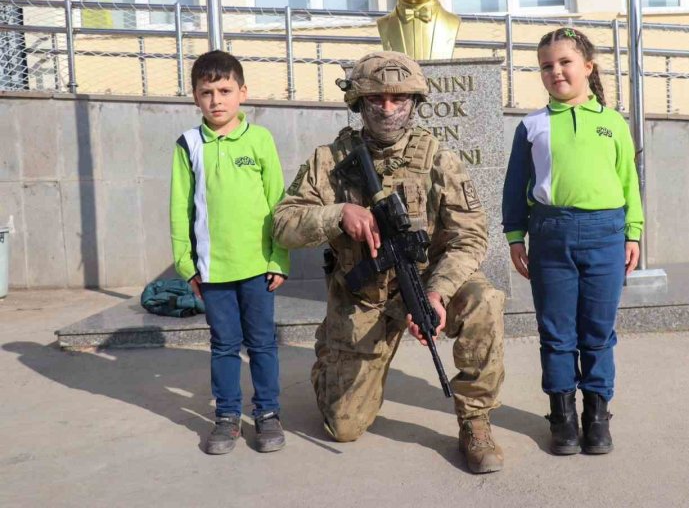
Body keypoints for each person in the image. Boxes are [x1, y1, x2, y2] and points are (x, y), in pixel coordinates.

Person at [272, 51, 506, 474]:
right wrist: (338, 214)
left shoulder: (439, 159)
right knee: (343, 426)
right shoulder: (329, 161)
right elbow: (283, 223)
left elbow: (470, 237)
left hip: (425, 282)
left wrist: (437, 294)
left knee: (485, 300)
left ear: (414, 103)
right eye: (376, 98)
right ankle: (332, 354)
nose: (387, 107)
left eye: (399, 98)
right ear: (358, 102)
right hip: (364, 295)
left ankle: (476, 421)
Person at [502, 27, 644, 456]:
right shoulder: (532, 126)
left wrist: (633, 231)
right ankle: (562, 417)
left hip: (606, 235)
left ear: (587, 66)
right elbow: (515, 186)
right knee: (556, 332)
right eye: (546, 66)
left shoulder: (612, 123)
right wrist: (515, 236)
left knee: (597, 331)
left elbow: (628, 181)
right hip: (551, 235)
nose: (556, 71)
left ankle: (596, 417)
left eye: (565, 62)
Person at [170, 50, 290, 455]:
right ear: (195, 97)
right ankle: (226, 416)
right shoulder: (188, 145)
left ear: (242, 92)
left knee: (262, 344)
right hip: (213, 271)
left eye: (224, 91)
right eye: (207, 92)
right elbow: (179, 209)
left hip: (257, 267)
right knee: (223, 345)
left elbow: (278, 203)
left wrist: (279, 259)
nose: (216, 100)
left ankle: (268, 413)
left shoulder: (260, 139)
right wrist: (187, 265)